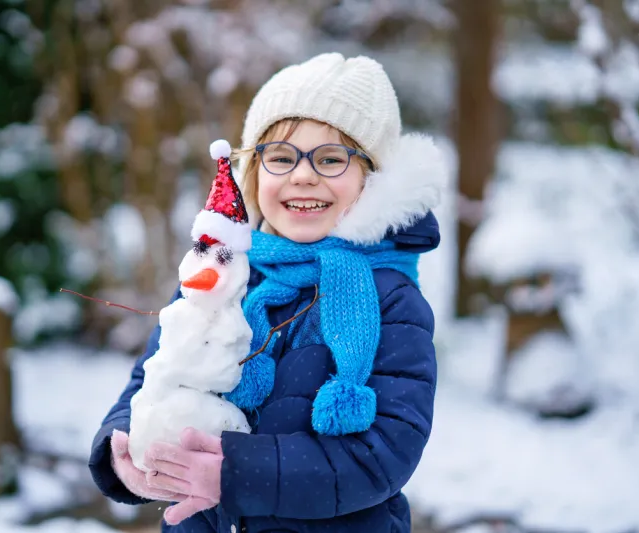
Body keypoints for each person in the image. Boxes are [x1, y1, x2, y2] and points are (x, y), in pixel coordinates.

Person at [88, 52, 446, 533]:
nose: (303, 175)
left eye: (331, 159)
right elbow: (152, 377)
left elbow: (382, 452)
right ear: (254, 173)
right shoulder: (221, 273)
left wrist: (232, 473)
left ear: (371, 178)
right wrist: (124, 445)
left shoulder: (392, 300)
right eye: (280, 157)